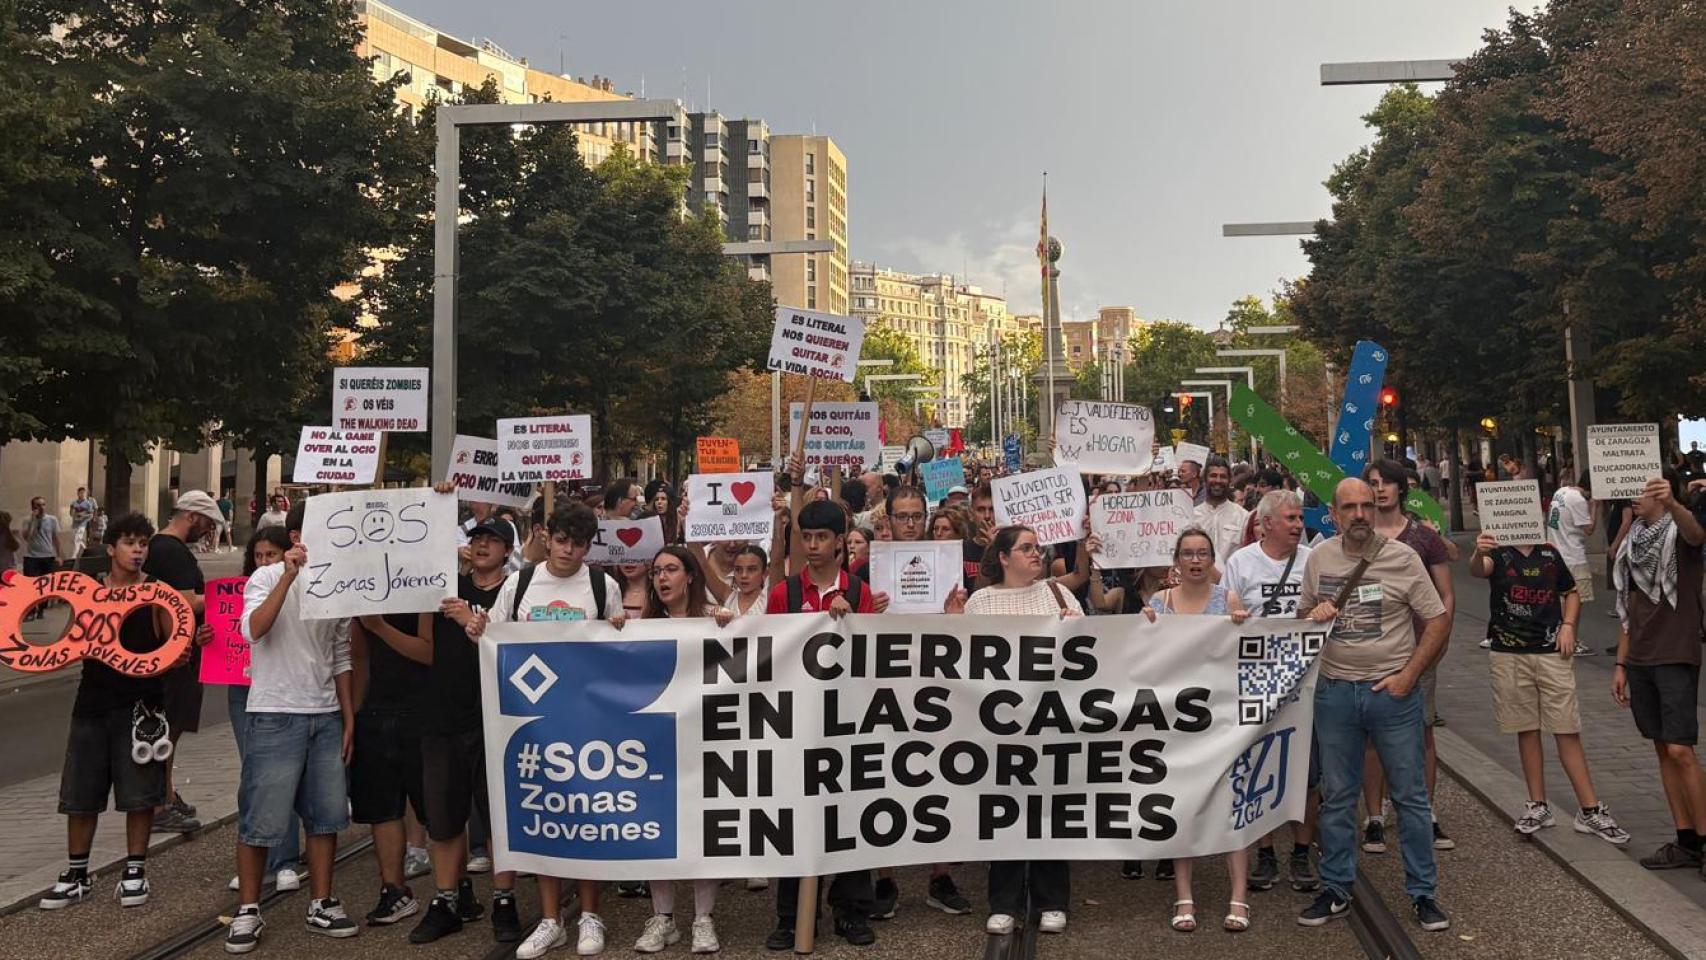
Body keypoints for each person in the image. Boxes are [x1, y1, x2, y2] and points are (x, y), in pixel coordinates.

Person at [467, 501, 624, 958]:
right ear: (545, 535)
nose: (568, 551)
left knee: (590, 817)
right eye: (560, 540)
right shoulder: (519, 583)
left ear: (589, 546)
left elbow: (618, 650)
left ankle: (590, 913)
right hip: (532, 723)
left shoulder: (602, 585)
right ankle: (552, 918)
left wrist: (618, 628)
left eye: (578, 544)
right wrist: (477, 627)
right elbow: (491, 635)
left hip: (587, 721)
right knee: (545, 819)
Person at [1297, 478, 1452, 934]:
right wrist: (1314, 615)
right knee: (1339, 795)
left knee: (1410, 797)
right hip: (1336, 692)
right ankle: (1337, 888)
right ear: (1334, 513)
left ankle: (1424, 894)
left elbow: (1438, 620)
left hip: (1393, 695)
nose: (1360, 514)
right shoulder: (1319, 557)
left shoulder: (1402, 559)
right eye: (1350, 507)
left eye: (1367, 505)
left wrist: (1410, 677)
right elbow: (1301, 617)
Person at [37, 513, 199, 912]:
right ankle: (77, 873)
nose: (138, 550)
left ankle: (135, 870)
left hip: (141, 704)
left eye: (143, 543)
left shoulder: (157, 593)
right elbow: (65, 643)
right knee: (80, 792)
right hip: (92, 702)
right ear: (110, 549)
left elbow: (169, 647)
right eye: (129, 542)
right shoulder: (90, 592)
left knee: (139, 793)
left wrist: (179, 656)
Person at [229, 500, 358, 953]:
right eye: (307, 532)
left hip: (323, 713)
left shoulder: (340, 586)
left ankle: (321, 901)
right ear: (295, 536)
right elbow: (254, 630)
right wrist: (286, 576)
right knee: (261, 815)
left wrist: (347, 716)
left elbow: (341, 653)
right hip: (274, 711)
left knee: (325, 817)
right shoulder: (264, 577)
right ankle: (248, 908)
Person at [764, 500, 880, 951]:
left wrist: (856, 618)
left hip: (846, 722)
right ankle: (793, 915)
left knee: (847, 815)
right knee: (796, 819)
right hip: (797, 722)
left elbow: (872, 656)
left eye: (820, 538)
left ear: (839, 540)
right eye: (805, 538)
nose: (812, 547)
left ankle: (851, 910)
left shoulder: (859, 590)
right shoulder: (784, 595)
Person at [1468, 529, 1629, 843]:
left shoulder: (1549, 554)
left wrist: (1569, 626)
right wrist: (1478, 551)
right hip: (1509, 652)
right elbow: (1479, 570)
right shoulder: (1497, 553)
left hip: (1551, 652)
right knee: (1525, 728)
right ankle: (1537, 804)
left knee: (1566, 728)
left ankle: (1590, 809)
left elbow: (1570, 592)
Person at [407, 516, 523, 944]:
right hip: (443, 719)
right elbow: (427, 651)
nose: (482, 546)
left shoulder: (516, 593)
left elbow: (518, 643)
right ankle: (446, 899)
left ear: (508, 551)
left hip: (496, 719)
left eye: (493, 541)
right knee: (443, 818)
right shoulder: (444, 592)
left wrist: (470, 621)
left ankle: (504, 898)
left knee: (498, 818)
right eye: (477, 539)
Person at [966, 525, 1081, 938]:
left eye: (1039, 548)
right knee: (1006, 814)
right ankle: (1005, 902)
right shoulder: (981, 601)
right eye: (1026, 548)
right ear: (1003, 557)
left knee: (1051, 813)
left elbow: (1090, 658)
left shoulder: (1059, 595)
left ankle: (1052, 900)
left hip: (1050, 723)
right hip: (1002, 728)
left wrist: (1074, 628)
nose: (1037, 554)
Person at [1138, 528, 1253, 933]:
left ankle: (1238, 894)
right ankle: (1184, 895)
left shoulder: (1229, 600)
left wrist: (1241, 625)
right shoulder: (1159, 603)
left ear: (1211, 559)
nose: (1196, 560)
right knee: (1181, 806)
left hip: (1221, 723)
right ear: (1176, 561)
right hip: (1177, 725)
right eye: (1188, 553)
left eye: (1203, 553)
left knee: (1231, 805)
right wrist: (1145, 625)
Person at [1222, 490, 1321, 893]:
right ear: (1266, 524)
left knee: (1307, 771)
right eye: (1291, 519)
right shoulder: (1241, 563)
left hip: (1305, 680)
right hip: (1257, 681)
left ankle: (1300, 851)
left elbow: (1330, 602)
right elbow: (1222, 614)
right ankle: (1265, 852)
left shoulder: (1312, 560)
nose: (1299, 525)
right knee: (1258, 766)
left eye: (1300, 518)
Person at [1610, 474, 1706, 872]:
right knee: (1662, 747)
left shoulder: (1678, 534)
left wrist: (1674, 503)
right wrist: (1620, 663)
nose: (1634, 497)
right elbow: (1630, 607)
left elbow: (1698, 535)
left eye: (1641, 490)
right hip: (1642, 655)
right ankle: (1686, 841)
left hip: (1676, 652)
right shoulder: (1634, 541)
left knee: (1682, 748)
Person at [633, 546, 725, 954]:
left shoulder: (715, 618)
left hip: (706, 741)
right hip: (657, 741)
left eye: (671, 569)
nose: (662, 578)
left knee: (703, 830)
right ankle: (663, 917)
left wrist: (731, 626)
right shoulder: (644, 626)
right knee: (659, 829)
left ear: (690, 575)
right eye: (656, 572)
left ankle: (703, 918)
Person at [1361, 460, 1457, 852]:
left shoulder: (1422, 537)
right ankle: (1374, 815)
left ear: (1402, 489)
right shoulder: (1358, 533)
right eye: (1373, 483)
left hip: (1418, 648)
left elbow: (1445, 593)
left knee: (1422, 731)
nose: (1379, 489)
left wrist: (1442, 637)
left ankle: (1425, 813)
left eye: (1385, 483)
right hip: (1370, 647)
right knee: (1372, 736)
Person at [225, 529, 307, 894]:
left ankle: (285, 858)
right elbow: (243, 631)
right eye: (257, 556)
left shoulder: (294, 585)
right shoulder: (252, 586)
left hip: (281, 692)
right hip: (243, 687)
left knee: (282, 779)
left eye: (270, 554)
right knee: (255, 779)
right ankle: (260, 859)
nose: (264, 562)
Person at [145, 491, 221, 835]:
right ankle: (159, 801)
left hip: (179, 650)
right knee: (168, 727)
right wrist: (228, 596)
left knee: (170, 728)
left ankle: (166, 791)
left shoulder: (163, 548)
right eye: (207, 523)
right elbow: (183, 602)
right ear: (192, 516)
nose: (208, 530)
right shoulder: (170, 551)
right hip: (176, 653)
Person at [1545, 472, 1599, 635]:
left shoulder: (1561, 492)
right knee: (1574, 601)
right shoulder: (1578, 500)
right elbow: (1589, 529)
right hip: (1572, 556)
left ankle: (1559, 635)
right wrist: (1595, 506)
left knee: (1560, 600)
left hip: (1556, 552)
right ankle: (1571, 639)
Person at [1191, 457, 1249, 569]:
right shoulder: (1191, 516)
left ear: (1230, 480)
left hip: (1233, 583)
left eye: (1223, 477)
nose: (1218, 480)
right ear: (1205, 479)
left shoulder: (1243, 516)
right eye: (1213, 476)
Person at [23, 494, 62, 579]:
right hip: (31, 557)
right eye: (38, 505)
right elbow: (27, 538)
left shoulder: (52, 519)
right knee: (31, 583)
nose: (42, 507)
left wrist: (59, 556)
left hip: (48, 556)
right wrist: (33, 521)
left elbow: (56, 538)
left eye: (43, 504)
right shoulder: (27, 520)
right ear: (33, 508)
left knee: (48, 583)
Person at [69, 486, 97, 555]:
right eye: (80, 493)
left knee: (76, 539)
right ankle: (86, 550)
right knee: (74, 539)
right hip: (75, 524)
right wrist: (74, 515)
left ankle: (73, 557)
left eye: (83, 493)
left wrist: (83, 516)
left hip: (82, 524)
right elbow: (71, 513)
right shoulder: (73, 503)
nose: (81, 494)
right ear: (77, 493)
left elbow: (91, 514)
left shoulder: (88, 503)